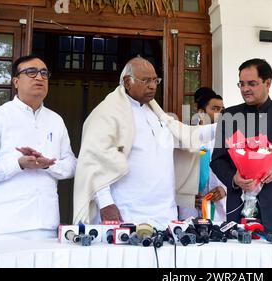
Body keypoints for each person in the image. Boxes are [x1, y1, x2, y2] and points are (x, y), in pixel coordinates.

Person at [73, 57, 209, 226]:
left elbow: (187, 136)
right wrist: (106, 203)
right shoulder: (106, 114)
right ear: (127, 82)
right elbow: (93, 160)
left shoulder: (156, 115)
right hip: (127, 214)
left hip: (165, 215)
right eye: (145, 80)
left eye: (155, 80)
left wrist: (224, 127)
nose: (152, 85)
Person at [210, 58, 272, 234]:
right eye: (241, 84)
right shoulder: (229, 115)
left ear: (268, 82)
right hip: (238, 210)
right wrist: (234, 178)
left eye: (252, 83)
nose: (245, 89)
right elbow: (217, 160)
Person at [0, 55, 77, 239]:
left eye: (44, 73)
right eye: (31, 72)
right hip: (4, 227)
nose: (39, 77)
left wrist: (48, 165)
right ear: (16, 81)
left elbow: (72, 166)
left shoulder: (56, 120)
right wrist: (19, 164)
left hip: (47, 225)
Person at [179, 88, 227, 222]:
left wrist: (225, 189)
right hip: (190, 209)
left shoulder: (228, 139)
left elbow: (238, 171)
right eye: (216, 109)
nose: (220, 113)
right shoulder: (184, 138)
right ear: (200, 112)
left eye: (222, 110)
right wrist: (185, 195)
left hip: (218, 209)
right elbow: (176, 171)